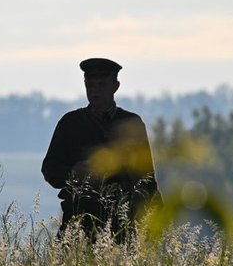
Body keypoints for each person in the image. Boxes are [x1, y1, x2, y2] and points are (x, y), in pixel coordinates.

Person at [42, 57, 162, 239]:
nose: (95, 91)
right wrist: (73, 173)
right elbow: (49, 169)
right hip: (79, 219)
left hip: (122, 222)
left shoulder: (132, 123)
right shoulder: (70, 123)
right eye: (91, 85)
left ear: (115, 86)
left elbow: (147, 178)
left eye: (102, 85)